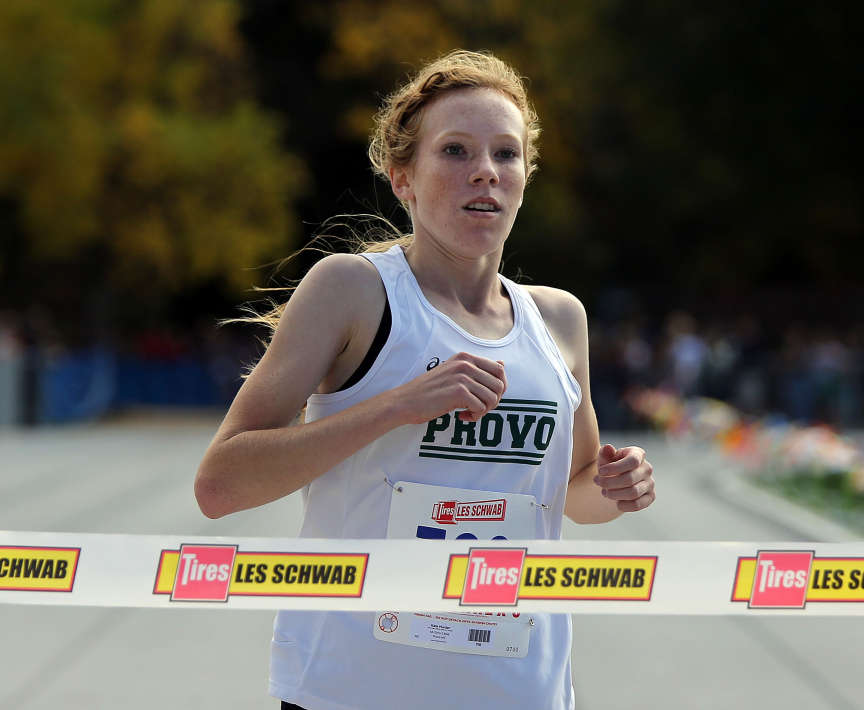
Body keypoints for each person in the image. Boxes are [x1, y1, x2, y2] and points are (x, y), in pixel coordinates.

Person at [195, 49, 656, 710]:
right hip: (351, 691)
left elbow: (577, 494)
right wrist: (395, 407)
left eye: (505, 154)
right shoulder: (351, 291)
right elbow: (220, 485)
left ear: (527, 174)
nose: (485, 174)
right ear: (402, 177)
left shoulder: (559, 318)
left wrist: (619, 484)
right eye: (456, 151)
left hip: (520, 691)